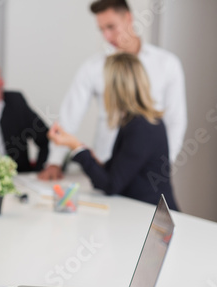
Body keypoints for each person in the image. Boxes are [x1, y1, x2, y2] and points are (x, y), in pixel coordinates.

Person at [39, 0, 186, 180]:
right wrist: (55, 161)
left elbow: (175, 120)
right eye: (102, 30)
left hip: (147, 171)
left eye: (111, 27)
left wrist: (162, 164)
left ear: (128, 18)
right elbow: (70, 114)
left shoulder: (166, 64)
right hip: (104, 167)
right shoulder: (93, 67)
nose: (107, 36)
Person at [48, 53, 178, 210]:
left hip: (152, 219)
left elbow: (110, 185)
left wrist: (75, 146)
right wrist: (76, 145)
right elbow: (111, 173)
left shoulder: (142, 127)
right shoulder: (134, 121)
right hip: (141, 213)